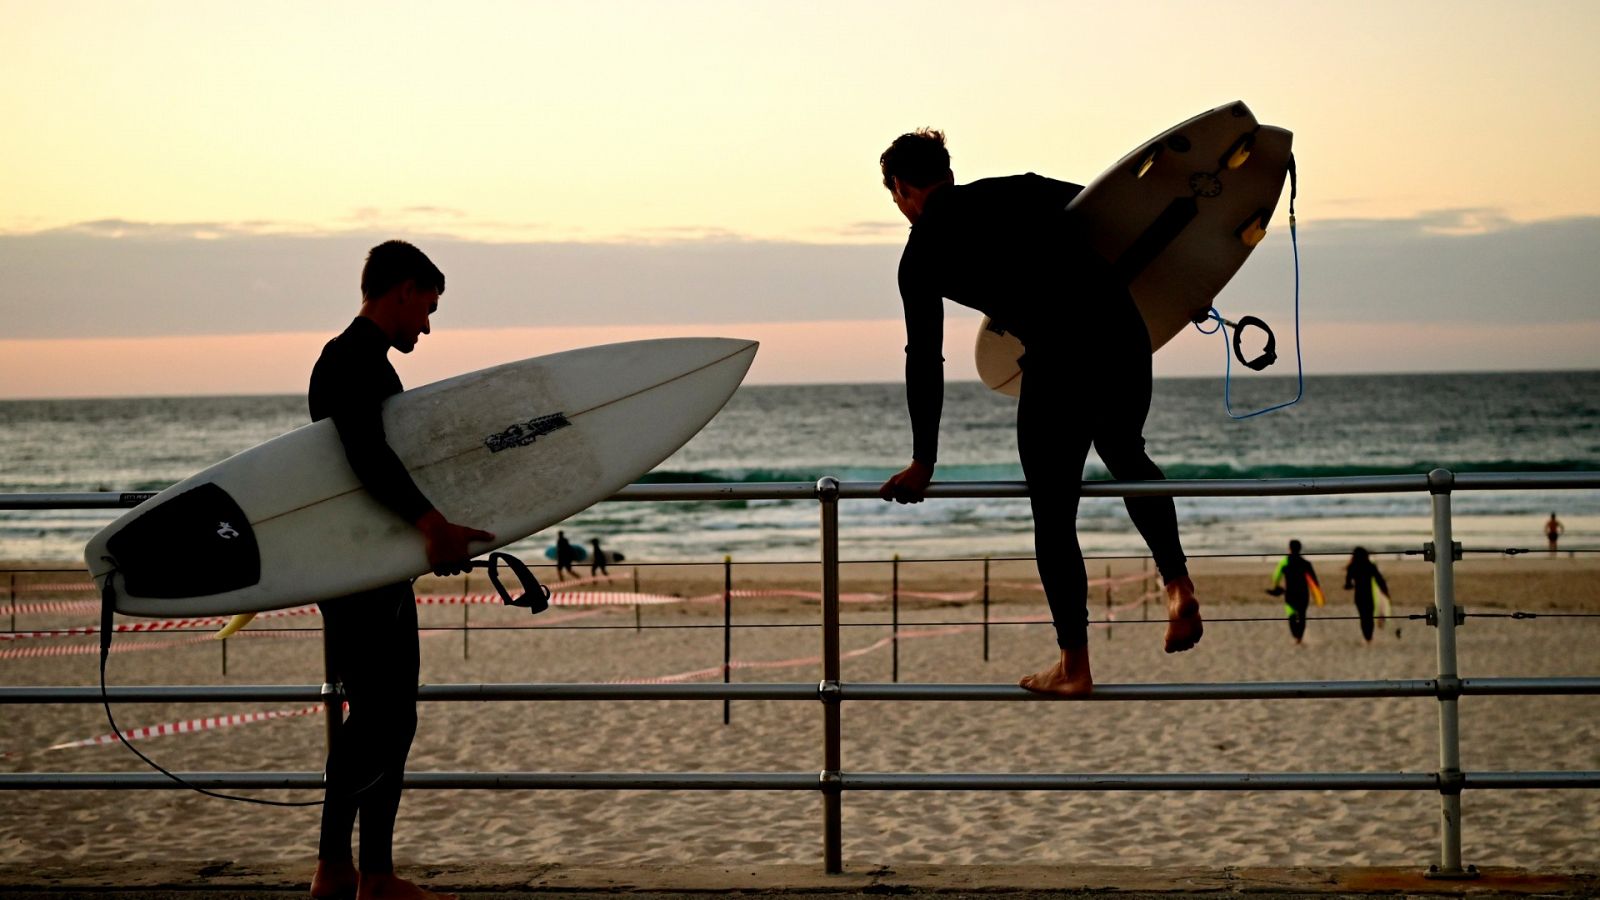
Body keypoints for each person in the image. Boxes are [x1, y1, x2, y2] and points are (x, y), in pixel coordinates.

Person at [874, 128, 1200, 698]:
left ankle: (1074, 664)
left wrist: (924, 459)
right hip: (1124, 335)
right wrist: (1186, 283)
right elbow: (1117, 213)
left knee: (1054, 512)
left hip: (1058, 358)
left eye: (896, 197)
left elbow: (924, 358)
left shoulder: (920, 253)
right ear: (947, 173)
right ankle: (1177, 585)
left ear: (901, 189)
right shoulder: (1019, 189)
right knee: (1126, 452)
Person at [308, 240, 490, 900]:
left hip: (374, 562)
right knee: (377, 718)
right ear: (403, 290)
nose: (429, 325)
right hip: (358, 569)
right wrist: (431, 525)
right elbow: (365, 457)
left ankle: (368, 872)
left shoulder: (361, 362)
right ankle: (341, 869)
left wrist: (420, 536)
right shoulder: (352, 362)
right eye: (428, 308)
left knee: (390, 717)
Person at [1267, 539, 1320, 644]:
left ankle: (1296, 636)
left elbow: (1276, 576)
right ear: (1300, 549)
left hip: (1290, 594)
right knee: (1302, 615)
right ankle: (1299, 637)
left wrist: (1276, 586)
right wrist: (1317, 594)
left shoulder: (1284, 561)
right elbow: (1314, 581)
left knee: (1291, 616)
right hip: (1303, 594)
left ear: (1289, 548)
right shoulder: (1306, 563)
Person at [1342, 546, 1390, 643]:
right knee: (1369, 617)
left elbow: (1348, 584)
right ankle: (1370, 637)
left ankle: (1366, 637)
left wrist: (1350, 586)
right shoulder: (1370, 566)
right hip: (1369, 594)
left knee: (1363, 617)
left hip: (1359, 595)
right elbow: (1379, 579)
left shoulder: (1352, 566)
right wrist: (1385, 591)